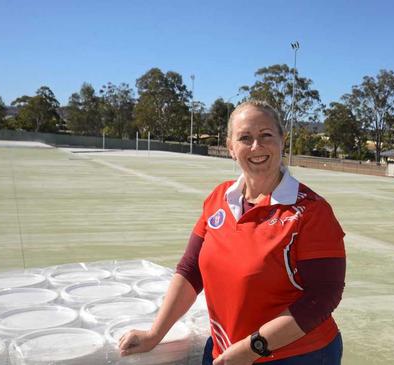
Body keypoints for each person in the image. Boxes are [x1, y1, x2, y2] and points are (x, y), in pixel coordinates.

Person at [119, 100, 346, 365]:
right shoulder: (219, 198)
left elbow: (323, 296)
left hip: (297, 355)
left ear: (282, 141)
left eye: (266, 136)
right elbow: (191, 270)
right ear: (230, 148)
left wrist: (253, 348)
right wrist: (155, 333)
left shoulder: (311, 211)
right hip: (225, 350)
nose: (256, 146)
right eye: (245, 138)